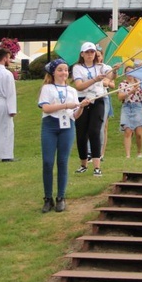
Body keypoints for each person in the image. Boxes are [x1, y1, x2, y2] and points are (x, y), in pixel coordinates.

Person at [37, 59, 89, 213]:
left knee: (62, 161)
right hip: (50, 126)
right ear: (53, 72)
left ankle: (61, 197)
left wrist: (81, 107)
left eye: (66, 70)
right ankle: (48, 198)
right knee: (47, 161)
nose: (64, 73)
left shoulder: (72, 91)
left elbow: (74, 115)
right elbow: (46, 108)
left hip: (67, 127)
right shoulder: (47, 88)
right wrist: (66, 105)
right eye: (60, 70)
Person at [71, 42, 120, 176]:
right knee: (81, 133)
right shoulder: (77, 68)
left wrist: (114, 70)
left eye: (92, 52)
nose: (90, 54)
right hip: (82, 101)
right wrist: (94, 80)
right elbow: (79, 86)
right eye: (87, 52)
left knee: (95, 131)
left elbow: (111, 77)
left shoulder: (101, 66)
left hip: (97, 100)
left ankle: (97, 166)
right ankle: (83, 164)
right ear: (82, 54)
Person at [118, 63, 142, 158]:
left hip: (138, 106)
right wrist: (130, 92)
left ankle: (139, 152)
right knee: (128, 131)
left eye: (131, 72)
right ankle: (128, 155)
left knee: (138, 133)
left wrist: (140, 86)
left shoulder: (139, 83)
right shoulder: (123, 84)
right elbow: (120, 97)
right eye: (127, 72)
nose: (129, 74)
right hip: (126, 106)